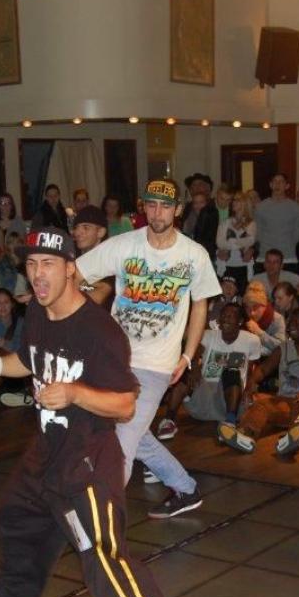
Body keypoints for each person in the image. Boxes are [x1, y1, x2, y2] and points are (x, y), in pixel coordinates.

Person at [0, 226, 194, 597]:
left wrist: (76, 393)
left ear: (71, 270)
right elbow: (27, 359)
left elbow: (125, 404)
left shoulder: (100, 331)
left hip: (88, 462)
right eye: (31, 265)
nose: (38, 274)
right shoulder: (38, 313)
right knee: (16, 516)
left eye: (48, 265)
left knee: (101, 555)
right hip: (47, 450)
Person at [76, 178, 221, 520]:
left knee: (122, 442)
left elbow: (200, 305)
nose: (158, 213)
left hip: (155, 365)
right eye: (152, 205)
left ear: (178, 210)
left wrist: (187, 356)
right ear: (143, 207)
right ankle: (185, 489)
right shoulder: (124, 245)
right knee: (135, 433)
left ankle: (101, 522)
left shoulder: (193, 255)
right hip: (113, 359)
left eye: (165, 206)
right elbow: (76, 273)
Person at [218, 307, 299, 456]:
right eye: (290, 322)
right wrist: (251, 384)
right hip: (285, 404)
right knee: (261, 402)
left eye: (297, 323)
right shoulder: (283, 348)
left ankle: (295, 435)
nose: (291, 326)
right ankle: (245, 435)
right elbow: (263, 369)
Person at [157, 302, 260, 441]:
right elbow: (195, 353)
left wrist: (249, 388)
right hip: (204, 398)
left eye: (230, 316)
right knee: (186, 373)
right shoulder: (208, 335)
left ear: (240, 321)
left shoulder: (251, 341)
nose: (225, 318)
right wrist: (194, 367)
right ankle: (168, 421)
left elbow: (251, 371)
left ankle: (229, 424)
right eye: (223, 315)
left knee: (231, 370)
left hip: (230, 400)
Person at [254, 173, 299, 272]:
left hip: (288, 256)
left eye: (281, 182)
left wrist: (287, 245)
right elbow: (257, 232)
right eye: (275, 182)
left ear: (287, 186)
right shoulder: (261, 207)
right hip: (265, 256)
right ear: (270, 185)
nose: (277, 184)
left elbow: (298, 233)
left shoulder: (295, 207)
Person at [215, 189, 256, 294]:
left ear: (244, 203)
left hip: (244, 266)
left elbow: (250, 241)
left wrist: (231, 242)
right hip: (227, 266)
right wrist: (238, 242)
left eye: (237, 200)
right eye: (233, 200)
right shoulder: (225, 222)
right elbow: (220, 243)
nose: (233, 202)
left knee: (243, 295)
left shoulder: (251, 223)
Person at [243, 281, 286, 357]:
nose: (252, 313)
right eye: (248, 308)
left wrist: (259, 332)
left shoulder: (277, 319)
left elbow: (281, 347)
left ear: (264, 306)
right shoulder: (243, 317)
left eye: (255, 307)